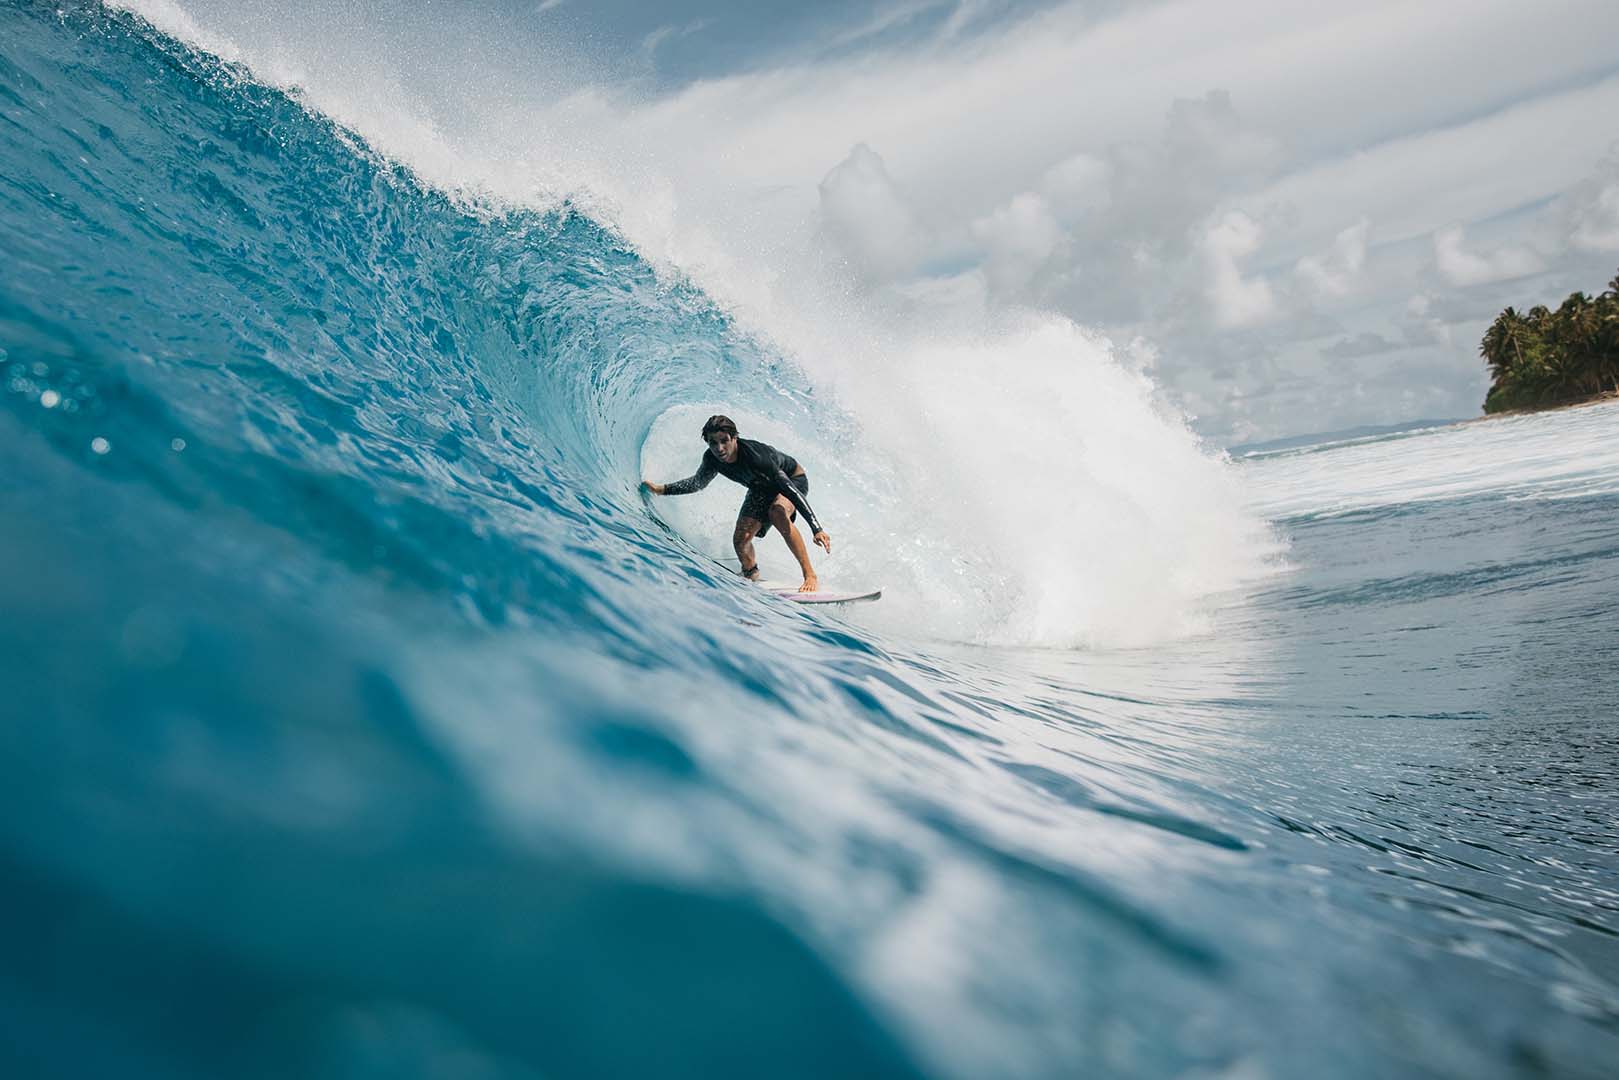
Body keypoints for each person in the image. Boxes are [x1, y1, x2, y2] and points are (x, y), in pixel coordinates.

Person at [643, 415, 832, 592]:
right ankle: (750, 573)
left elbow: (790, 490)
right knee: (741, 540)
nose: (719, 448)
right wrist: (662, 489)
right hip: (760, 487)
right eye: (713, 443)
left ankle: (810, 575)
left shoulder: (758, 458)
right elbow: (697, 483)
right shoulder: (712, 459)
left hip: (792, 480)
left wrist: (816, 529)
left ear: (735, 438)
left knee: (777, 512)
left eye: (724, 440)